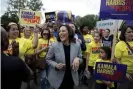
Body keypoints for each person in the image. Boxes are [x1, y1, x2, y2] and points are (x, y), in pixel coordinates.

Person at [46, 25, 83, 89]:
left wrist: (77, 59)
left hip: (71, 77)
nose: (61, 33)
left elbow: (81, 57)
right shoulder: (54, 45)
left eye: (63, 31)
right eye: (59, 31)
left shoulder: (77, 45)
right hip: (57, 78)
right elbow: (48, 59)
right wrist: (56, 65)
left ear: (69, 32)